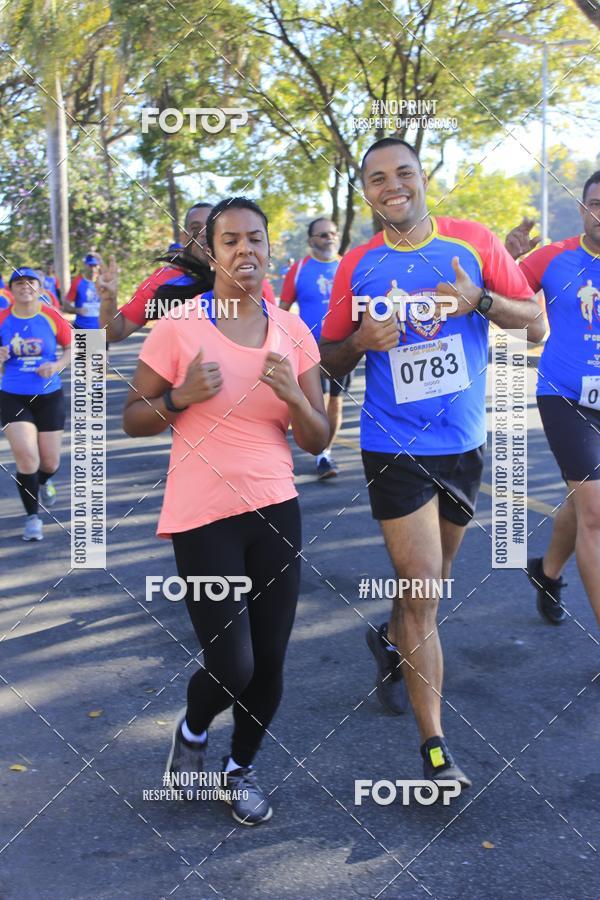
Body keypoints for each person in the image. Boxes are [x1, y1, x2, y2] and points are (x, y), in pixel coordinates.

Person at [319, 137, 544, 789]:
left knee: (432, 587)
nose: (393, 186)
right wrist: (359, 341)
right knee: (420, 586)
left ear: (422, 179)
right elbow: (328, 359)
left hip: (464, 444)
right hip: (393, 444)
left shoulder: (472, 241)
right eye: (378, 178)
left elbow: (534, 321)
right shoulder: (356, 265)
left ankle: (390, 643)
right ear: (366, 191)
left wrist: (479, 301)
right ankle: (436, 749)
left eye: (404, 174)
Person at [123, 197, 328, 825]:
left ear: (272, 249)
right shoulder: (180, 326)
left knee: (269, 663)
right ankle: (191, 731)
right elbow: (134, 419)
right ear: (211, 252)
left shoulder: (293, 331)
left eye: (257, 239)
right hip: (202, 515)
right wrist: (180, 397)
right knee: (231, 663)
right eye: (231, 240)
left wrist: (294, 395)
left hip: (276, 510)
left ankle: (240, 769)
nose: (246, 251)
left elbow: (318, 437)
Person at [511, 171, 600, 628]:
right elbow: (503, 288)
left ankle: (546, 572)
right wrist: (508, 254)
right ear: (583, 209)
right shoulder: (553, 258)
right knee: (595, 511)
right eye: (596, 203)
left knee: (583, 500)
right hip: (565, 395)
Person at [99, 202, 276, 343]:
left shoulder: (252, 283)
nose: (202, 234)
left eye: (210, 227)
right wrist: (108, 300)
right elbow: (114, 333)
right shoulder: (163, 280)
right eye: (195, 228)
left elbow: (274, 344)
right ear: (184, 238)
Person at [0, 268, 71, 540]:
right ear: (11, 290)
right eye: (18, 283)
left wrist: (55, 366)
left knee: (49, 462)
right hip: (13, 394)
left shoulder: (51, 316)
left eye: (30, 282)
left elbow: (70, 347)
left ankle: (43, 481)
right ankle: (33, 518)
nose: (25, 286)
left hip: (49, 395)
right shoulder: (3, 319)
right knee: (27, 456)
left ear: (40, 287)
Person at [280, 218, 348, 479]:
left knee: (336, 402)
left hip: (341, 349)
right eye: (322, 235)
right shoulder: (298, 270)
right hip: (307, 351)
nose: (329, 238)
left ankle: (324, 455)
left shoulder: (348, 266)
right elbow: (282, 311)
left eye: (332, 233)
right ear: (311, 241)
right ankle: (311, 446)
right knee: (311, 404)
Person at [64, 253, 101, 328]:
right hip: (81, 327)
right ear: (85, 266)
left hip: (100, 328)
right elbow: (66, 305)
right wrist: (77, 310)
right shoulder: (77, 282)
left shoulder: (103, 282)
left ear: (99, 266)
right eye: (90, 266)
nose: (93, 269)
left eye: (95, 265)